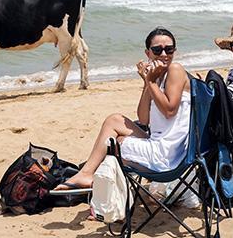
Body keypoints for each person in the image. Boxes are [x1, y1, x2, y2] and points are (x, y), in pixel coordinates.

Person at [54, 27, 191, 190]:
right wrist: (148, 82)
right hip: (163, 145)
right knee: (115, 120)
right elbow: (144, 119)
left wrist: (152, 81)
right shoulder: (157, 76)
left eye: (169, 49)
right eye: (157, 50)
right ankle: (87, 173)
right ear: (148, 53)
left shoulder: (175, 70)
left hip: (169, 156)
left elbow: (169, 111)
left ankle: (90, 177)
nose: (163, 54)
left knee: (113, 143)